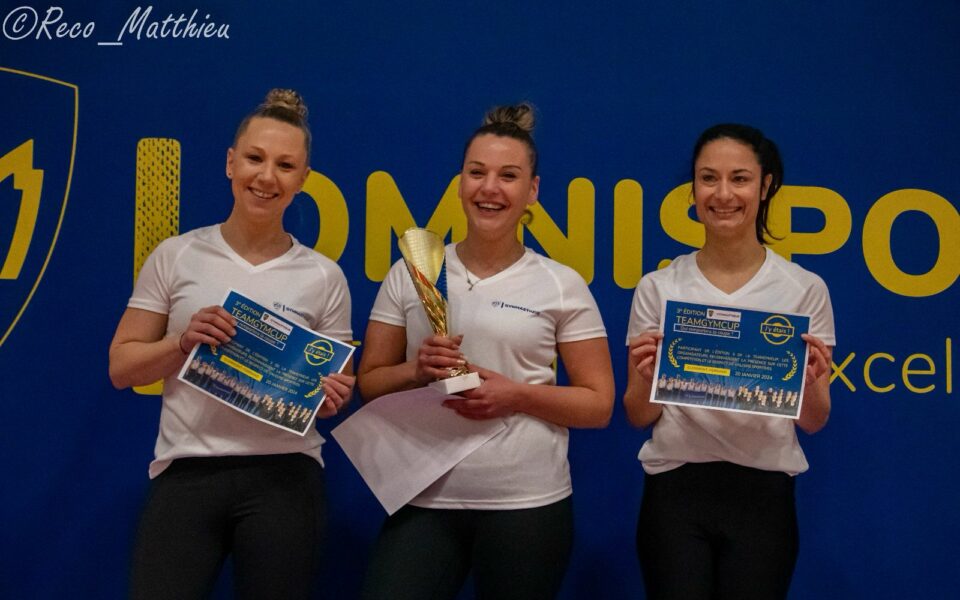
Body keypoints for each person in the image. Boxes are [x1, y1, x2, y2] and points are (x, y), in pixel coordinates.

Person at [357, 103, 615, 600]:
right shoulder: (413, 271)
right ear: (460, 183)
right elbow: (369, 383)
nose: (490, 188)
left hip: (527, 504)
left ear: (532, 191)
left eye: (508, 176)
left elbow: (598, 405)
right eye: (477, 173)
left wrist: (515, 396)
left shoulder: (560, 284)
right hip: (424, 498)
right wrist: (416, 370)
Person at [108, 88, 355, 600]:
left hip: (286, 477)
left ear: (303, 179)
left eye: (285, 165)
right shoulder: (177, 255)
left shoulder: (324, 276)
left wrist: (332, 397)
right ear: (230, 162)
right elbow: (122, 367)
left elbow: (333, 390)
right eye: (254, 159)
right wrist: (182, 343)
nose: (266, 177)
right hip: (187, 470)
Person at [623, 123, 835, 600]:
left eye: (739, 179)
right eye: (708, 178)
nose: (723, 194)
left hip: (765, 496)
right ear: (694, 189)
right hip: (675, 493)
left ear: (766, 186)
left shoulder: (804, 289)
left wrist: (810, 382)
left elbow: (814, 420)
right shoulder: (658, 288)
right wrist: (648, 376)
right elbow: (638, 414)